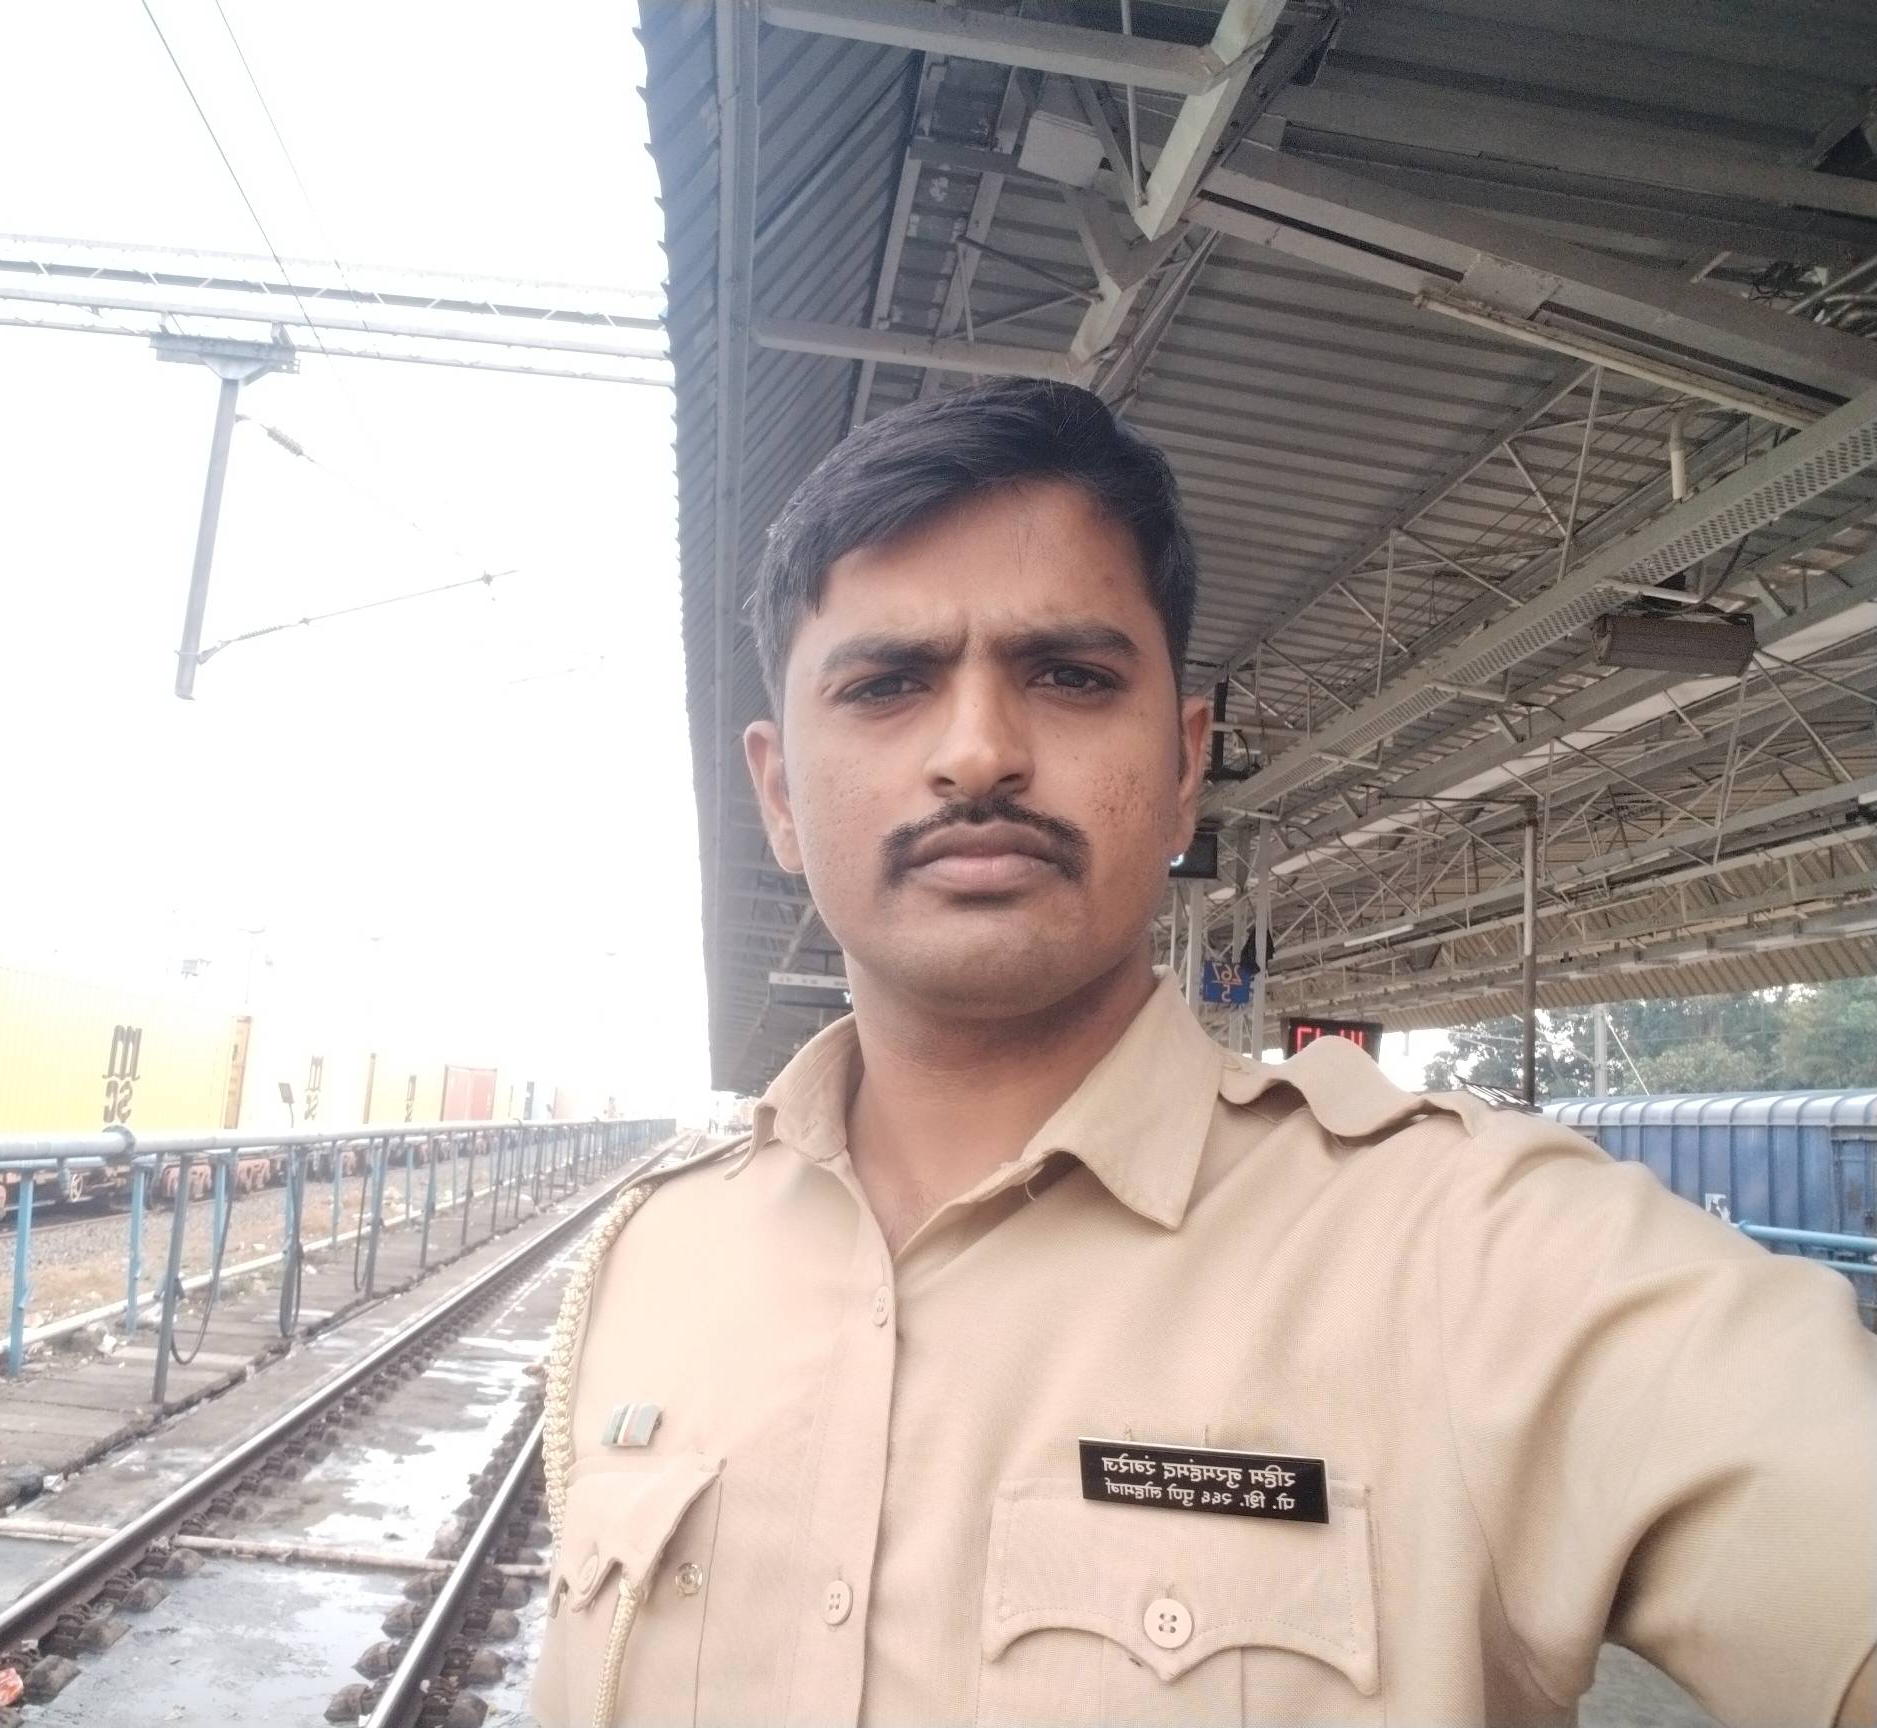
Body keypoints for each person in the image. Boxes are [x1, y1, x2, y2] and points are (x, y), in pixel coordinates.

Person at [530, 378, 1876, 1727]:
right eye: (886, 685)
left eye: (1070, 676)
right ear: (777, 793)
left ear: (1185, 770)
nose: (979, 752)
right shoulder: (646, 1268)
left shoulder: (1481, 1260)